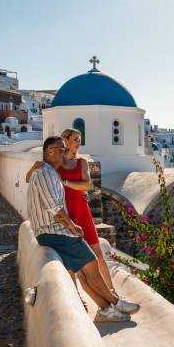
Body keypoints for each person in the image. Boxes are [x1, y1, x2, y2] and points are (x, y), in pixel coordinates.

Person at [27, 136, 139, 322]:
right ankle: (115, 302)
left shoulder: (48, 172)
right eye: (61, 149)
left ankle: (105, 309)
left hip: (51, 231)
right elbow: (54, 207)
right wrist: (73, 227)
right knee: (91, 264)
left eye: (65, 148)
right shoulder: (46, 173)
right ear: (50, 152)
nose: (65, 152)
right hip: (55, 232)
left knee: (83, 271)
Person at [27, 129, 115, 293]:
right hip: (63, 211)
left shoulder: (81, 162)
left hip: (80, 208)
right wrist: (33, 168)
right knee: (69, 261)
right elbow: (29, 179)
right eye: (75, 139)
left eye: (80, 139)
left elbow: (86, 185)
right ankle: (75, 295)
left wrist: (64, 181)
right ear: (65, 141)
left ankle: (111, 290)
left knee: (97, 253)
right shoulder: (54, 163)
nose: (78, 142)